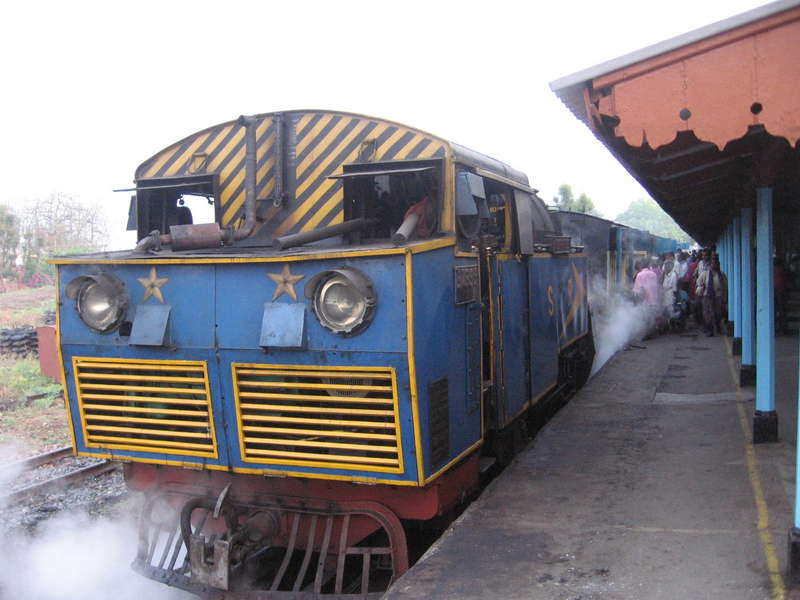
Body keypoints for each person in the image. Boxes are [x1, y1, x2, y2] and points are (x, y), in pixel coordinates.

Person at [695, 257, 728, 336]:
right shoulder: (705, 274)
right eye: (713, 264)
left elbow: (725, 286)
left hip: (718, 296)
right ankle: (710, 330)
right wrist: (702, 287)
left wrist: (725, 297)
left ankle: (717, 326)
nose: (715, 265)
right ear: (710, 265)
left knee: (718, 313)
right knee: (707, 314)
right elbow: (698, 282)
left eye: (717, 264)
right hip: (707, 296)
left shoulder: (722, 275)